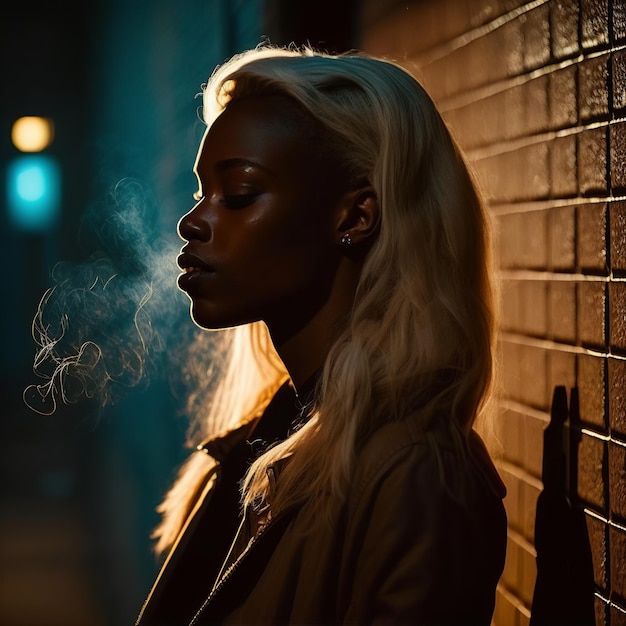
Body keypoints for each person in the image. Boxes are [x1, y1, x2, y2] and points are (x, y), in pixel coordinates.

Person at [135, 43, 507, 626]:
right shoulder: (265, 440)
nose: (194, 220)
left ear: (356, 217)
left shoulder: (415, 477)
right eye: (201, 192)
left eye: (238, 195)